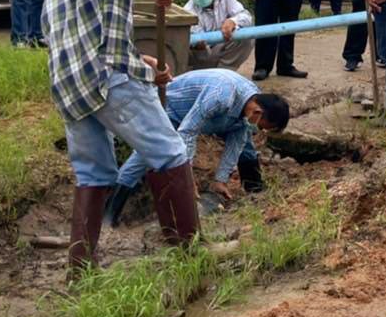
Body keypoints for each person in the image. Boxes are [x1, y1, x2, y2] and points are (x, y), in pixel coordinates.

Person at [42, 0, 201, 271]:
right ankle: (190, 255)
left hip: (71, 83)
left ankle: (81, 267)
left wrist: (139, 61)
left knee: (93, 173)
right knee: (171, 152)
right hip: (102, 76)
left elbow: (94, 32)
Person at [106, 71, 289, 225]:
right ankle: (108, 215)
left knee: (245, 144)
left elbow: (236, 143)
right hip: (169, 109)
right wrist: (188, 178)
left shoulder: (251, 100)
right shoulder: (220, 97)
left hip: (203, 116)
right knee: (143, 157)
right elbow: (188, 130)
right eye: (262, 126)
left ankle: (254, 191)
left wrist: (220, 180)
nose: (260, 131)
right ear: (257, 113)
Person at [184, 0, 253, 71]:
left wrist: (233, 21)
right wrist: (199, 47)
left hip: (222, 47)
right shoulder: (189, 11)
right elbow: (201, 52)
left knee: (247, 36)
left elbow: (246, 16)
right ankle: (214, 74)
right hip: (203, 56)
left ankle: (226, 72)